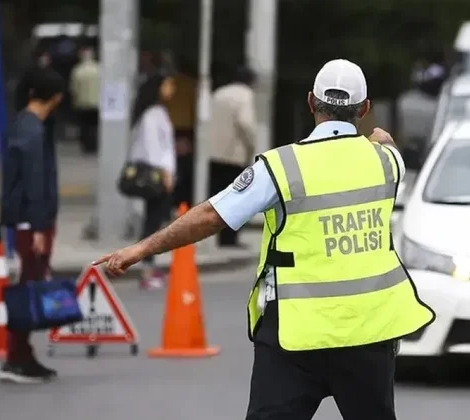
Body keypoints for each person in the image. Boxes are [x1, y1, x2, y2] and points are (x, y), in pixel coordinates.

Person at [94, 59, 435, 420]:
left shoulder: (280, 167)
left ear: (310, 102)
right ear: (365, 109)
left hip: (295, 334)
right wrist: (377, 138)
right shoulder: (386, 162)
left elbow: (212, 216)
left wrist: (142, 248)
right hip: (369, 333)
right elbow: (384, 142)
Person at [0, 69, 65, 384]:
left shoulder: (23, 124)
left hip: (25, 219)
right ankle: (16, 358)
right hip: (31, 222)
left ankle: (22, 354)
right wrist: (39, 227)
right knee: (29, 287)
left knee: (29, 284)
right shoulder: (34, 132)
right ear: (56, 97)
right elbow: (34, 183)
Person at [127, 72, 177, 290]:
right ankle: (146, 268)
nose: (172, 89)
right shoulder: (151, 114)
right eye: (168, 84)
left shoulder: (158, 112)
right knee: (152, 222)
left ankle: (150, 265)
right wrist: (165, 173)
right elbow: (152, 148)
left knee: (155, 220)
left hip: (162, 174)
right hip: (157, 176)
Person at [208, 66, 257, 247]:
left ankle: (218, 236)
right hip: (233, 155)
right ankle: (230, 239)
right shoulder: (245, 95)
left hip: (213, 153)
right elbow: (245, 122)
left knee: (217, 197)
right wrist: (251, 145)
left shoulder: (219, 93)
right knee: (236, 198)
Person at [69, 47, 100, 154]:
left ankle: (87, 145)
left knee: (84, 125)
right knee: (95, 125)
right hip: (97, 102)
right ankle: (95, 144)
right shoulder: (99, 69)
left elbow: (73, 88)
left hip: (82, 103)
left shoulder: (77, 70)